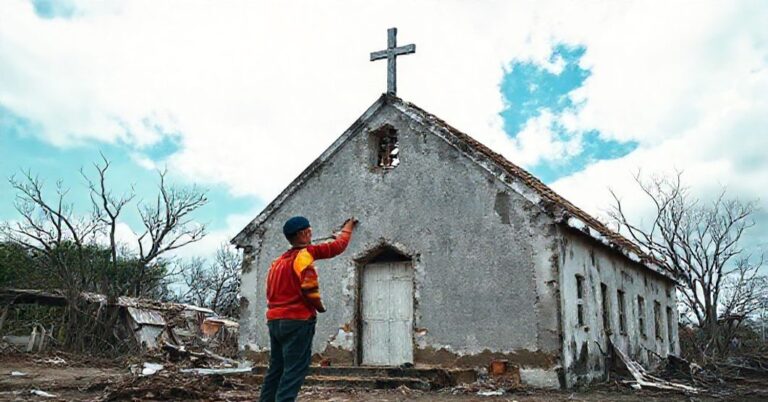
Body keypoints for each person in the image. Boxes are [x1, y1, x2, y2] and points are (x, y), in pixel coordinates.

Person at [258, 216, 357, 402]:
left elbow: (269, 292)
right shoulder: (304, 256)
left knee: (276, 369)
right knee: (294, 371)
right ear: (304, 233)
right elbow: (336, 249)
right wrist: (348, 227)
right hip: (297, 321)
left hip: (275, 321)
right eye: (310, 231)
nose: (312, 234)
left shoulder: (277, 263)